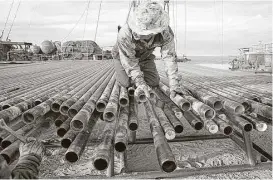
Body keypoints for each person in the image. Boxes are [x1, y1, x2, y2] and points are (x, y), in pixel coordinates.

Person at [112, 0, 182, 100]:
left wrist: (174, 83)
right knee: (125, 83)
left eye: (142, 32)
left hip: (145, 56)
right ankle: (121, 72)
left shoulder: (165, 33)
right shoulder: (124, 34)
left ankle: (140, 70)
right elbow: (129, 61)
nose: (137, 34)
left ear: (154, 32)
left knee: (153, 82)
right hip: (123, 57)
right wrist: (140, 82)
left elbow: (169, 57)